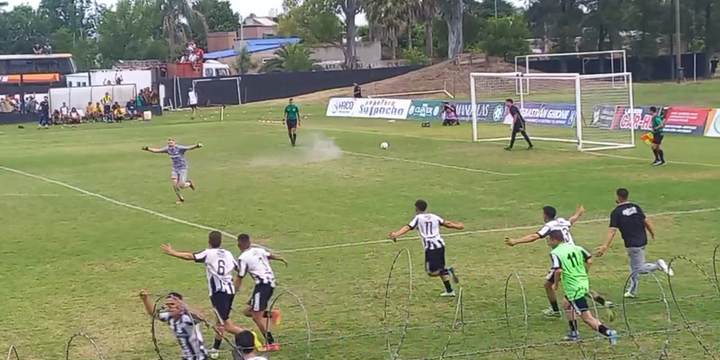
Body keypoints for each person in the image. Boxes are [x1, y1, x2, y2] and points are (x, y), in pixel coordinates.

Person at [161, 231, 245, 359]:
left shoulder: (208, 253)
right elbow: (239, 269)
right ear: (220, 241)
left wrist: (173, 252)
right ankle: (216, 349)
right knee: (221, 321)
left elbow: (190, 256)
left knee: (225, 325)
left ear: (209, 242)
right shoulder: (228, 254)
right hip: (229, 291)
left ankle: (248, 338)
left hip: (219, 293)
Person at [505, 205, 585, 317]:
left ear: (545, 215)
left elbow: (534, 237)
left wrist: (515, 241)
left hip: (562, 256)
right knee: (576, 279)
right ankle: (599, 301)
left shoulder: (549, 226)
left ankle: (558, 311)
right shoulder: (562, 221)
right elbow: (571, 220)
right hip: (574, 254)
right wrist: (579, 213)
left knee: (549, 285)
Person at [596, 188, 674, 298]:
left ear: (618, 197)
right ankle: (632, 291)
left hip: (632, 244)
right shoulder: (635, 207)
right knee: (634, 267)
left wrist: (605, 246)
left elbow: (612, 231)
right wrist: (652, 233)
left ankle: (658, 265)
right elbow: (646, 221)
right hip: (642, 240)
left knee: (639, 268)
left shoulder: (616, 212)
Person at [547, 230, 618, 344]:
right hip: (583, 282)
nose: (549, 243)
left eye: (550, 240)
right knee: (566, 304)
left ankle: (608, 332)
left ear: (555, 240)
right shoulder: (577, 248)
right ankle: (574, 333)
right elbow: (589, 261)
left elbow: (558, 270)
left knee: (587, 318)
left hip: (573, 289)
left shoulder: (555, 253)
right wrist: (584, 272)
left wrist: (555, 284)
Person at [389, 200, 464, 297]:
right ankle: (449, 290)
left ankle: (447, 270)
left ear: (416, 208)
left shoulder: (418, 218)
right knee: (440, 268)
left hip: (430, 248)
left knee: (431, 272)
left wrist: (396, 234)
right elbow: (447, 224)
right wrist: (458, 226)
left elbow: (408, 227)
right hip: (440, 245)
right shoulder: (434, 216)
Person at [235, 234, 286, 352]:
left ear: (239, 244)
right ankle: (272, 314)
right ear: (249, 242)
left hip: (263, 286)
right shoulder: (258, 250)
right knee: (247, 311)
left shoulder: (243, 258)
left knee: (256, 316)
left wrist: (234, 291)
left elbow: (240, 276)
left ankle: (271, 343)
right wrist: (280, 258)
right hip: (269, 284)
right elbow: (270, 255)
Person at [139, 290, 209, 360]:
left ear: (180, 305)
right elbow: (154, 314)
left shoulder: (187, 318)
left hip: (199, 357)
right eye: (167, 305)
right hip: (187, 357)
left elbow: (201, 318)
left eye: (172, 304)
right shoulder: (170, 316)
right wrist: (145, 300)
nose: (169, 307)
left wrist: (186, 307)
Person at [142, 138, 201, 204]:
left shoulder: (179, 148)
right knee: (175, 185)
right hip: (175, 169)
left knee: (181, 185)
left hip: (182, 168)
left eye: (171, 143)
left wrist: (197, 146)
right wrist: (148, 149)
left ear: (174, 143)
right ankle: (181, 199)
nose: (170, 144)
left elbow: (188, 148)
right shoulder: (167, 149)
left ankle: (189, 183)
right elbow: (157, 150)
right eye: (169, 143)